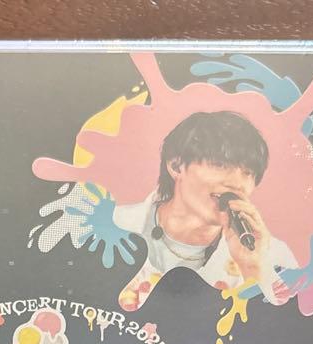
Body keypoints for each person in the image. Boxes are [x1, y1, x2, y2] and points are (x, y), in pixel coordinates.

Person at [114, 111, 296, 309]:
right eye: (220, 165)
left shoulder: (273, 256)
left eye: (247, 172)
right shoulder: (116, 225)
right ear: (176, 166)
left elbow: (289, 323)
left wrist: (254, 268)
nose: (237, 183)